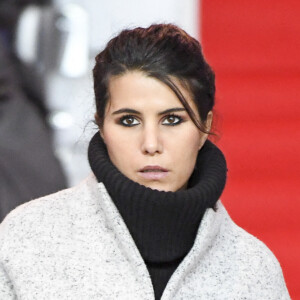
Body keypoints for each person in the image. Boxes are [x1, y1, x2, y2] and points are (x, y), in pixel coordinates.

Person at [0, 24, 290, 299]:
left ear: (204, 128)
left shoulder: (254, 271)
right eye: (129, 120)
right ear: (101, 126)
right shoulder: (26, 239)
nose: (151, 144)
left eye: (172, 120)